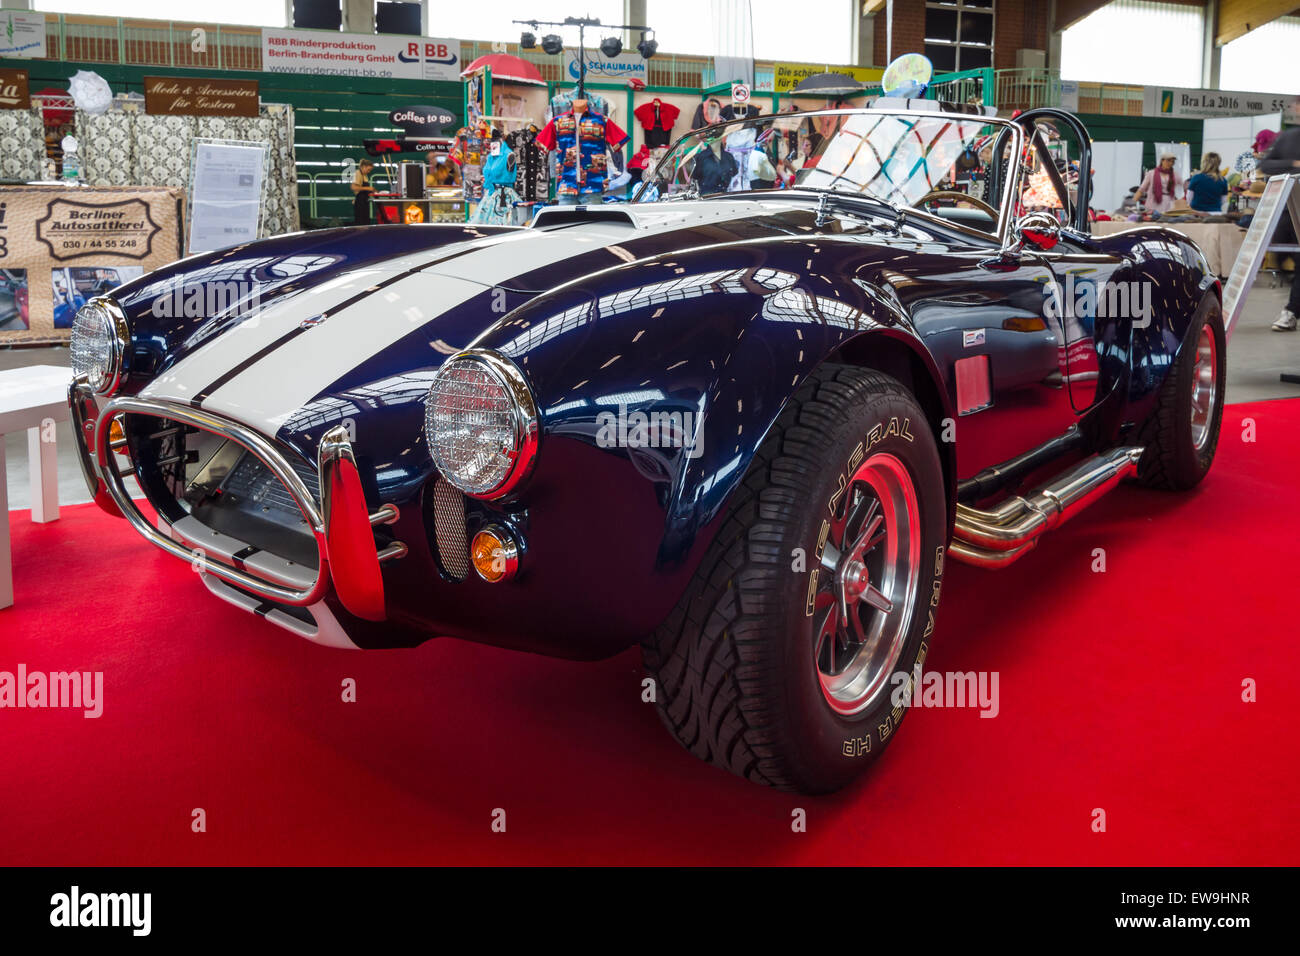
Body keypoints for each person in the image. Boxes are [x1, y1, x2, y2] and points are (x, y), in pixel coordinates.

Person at [1255, 126, 1300, 330]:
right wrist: (1293, 164)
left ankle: (1291, 310)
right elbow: (1266, 165)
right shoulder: (1289, 137)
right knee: (1281, 254)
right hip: (1288, 211)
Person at [351, 158, 374, 224]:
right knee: (360, 222)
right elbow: (353, 187)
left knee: (366, 221)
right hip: (360, 202)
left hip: (364, 201)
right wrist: (368, 188)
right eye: (368, 169)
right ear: (363, 167)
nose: (369, 171)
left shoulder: (365, 175)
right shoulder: (357, 173)